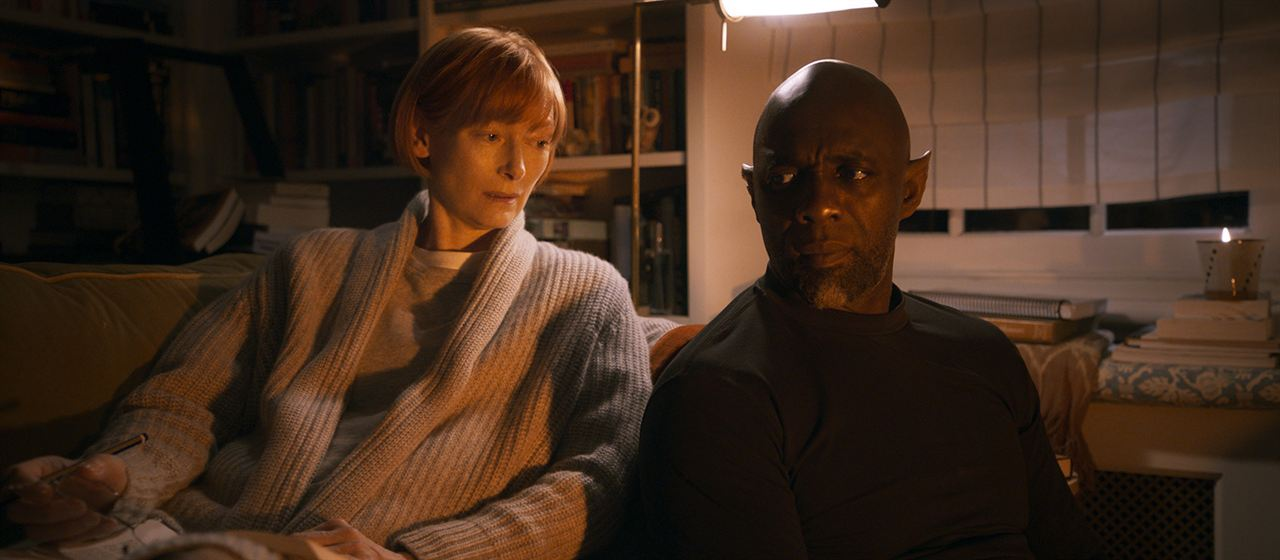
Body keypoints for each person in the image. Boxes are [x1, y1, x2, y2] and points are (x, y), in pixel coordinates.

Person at [4, 27, 665, 560]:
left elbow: (601, 476)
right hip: (185, 534)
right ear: (422, 136)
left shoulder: (587, 295)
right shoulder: (312, 264)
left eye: (540, 142)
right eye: (492, 135)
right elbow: (184, 399)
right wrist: (112, 475)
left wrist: (422, 556)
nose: (519, 168)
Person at [637, 60, 1103, 559]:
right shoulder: (716, 395)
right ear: (755, 195)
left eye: (852, 173)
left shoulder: (984, 354)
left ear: (910, 189)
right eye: (785, 176)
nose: (818, 205)